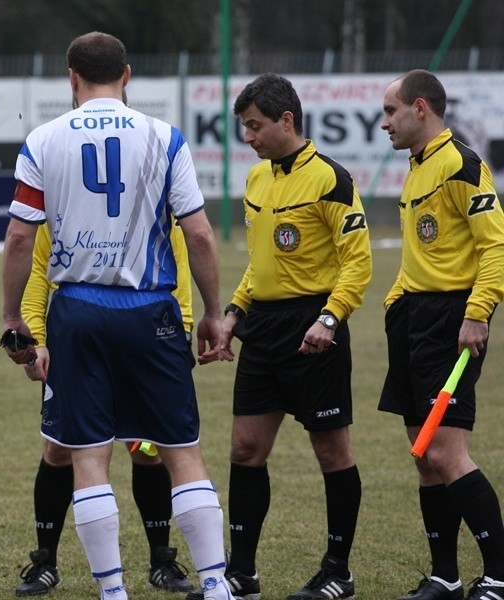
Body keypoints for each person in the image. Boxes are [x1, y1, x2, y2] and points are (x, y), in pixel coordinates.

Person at [1, 31, 234, 600]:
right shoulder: (165, 137)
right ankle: (215, 585)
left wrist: (12, 314)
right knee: (181, 451)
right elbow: (199, 234)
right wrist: (212, 313)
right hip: (151, 311)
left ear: (71, 77)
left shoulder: (42, 140)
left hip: (77, 309)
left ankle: (113, 591)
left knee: (88, 456)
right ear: (127, 75)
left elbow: (17, 238)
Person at [206, 73, 372, 600]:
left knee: (331, 452)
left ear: (287, 120)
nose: (248, 138)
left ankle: (338, 572)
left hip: (314, 326)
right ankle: (242, 574)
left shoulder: (331, 179)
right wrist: (233, 313)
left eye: (255, 126)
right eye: (243, 128)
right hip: (264, 328)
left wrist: (330, 318)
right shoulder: (258, 181)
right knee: (245, 449)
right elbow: (261, 264)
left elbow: (357, 263)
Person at [15, 220, 196, 596]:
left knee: (147, 449)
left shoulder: (154, 201)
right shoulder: (59, 207)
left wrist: (184, 332)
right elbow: (37, 274)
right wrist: (35, 338)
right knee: (60, 449)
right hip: (77, 340)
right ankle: (45, 561)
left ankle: (161, 560)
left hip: (143, 339)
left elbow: (177, 269)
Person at [378, 69, 504, 600]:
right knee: (424, 453)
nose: (384, 122)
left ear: (421, 108)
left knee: (447, 454)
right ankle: (445, 576)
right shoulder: (417, 165)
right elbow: (426, 250)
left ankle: (498, 575)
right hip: (413, 317)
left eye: (391, 111)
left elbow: (495, 247)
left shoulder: (462, 164)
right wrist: (397, 299)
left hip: (453, 320)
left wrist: (477, 313)